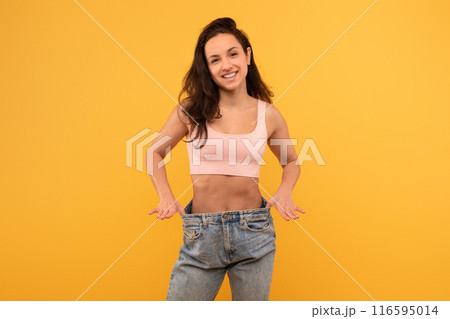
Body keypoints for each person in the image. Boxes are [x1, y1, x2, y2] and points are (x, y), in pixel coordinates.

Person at [147, 17, 306, 301]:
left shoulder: (268, 115)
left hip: (254, 233)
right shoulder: (190, 111)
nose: (226, 65)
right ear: (207, 68)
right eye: (215, 59)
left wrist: (285, 190)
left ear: (247, 55)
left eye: (233, 54)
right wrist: (165, 195)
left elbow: (291, 161)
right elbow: (154, 151)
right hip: (202, 235)